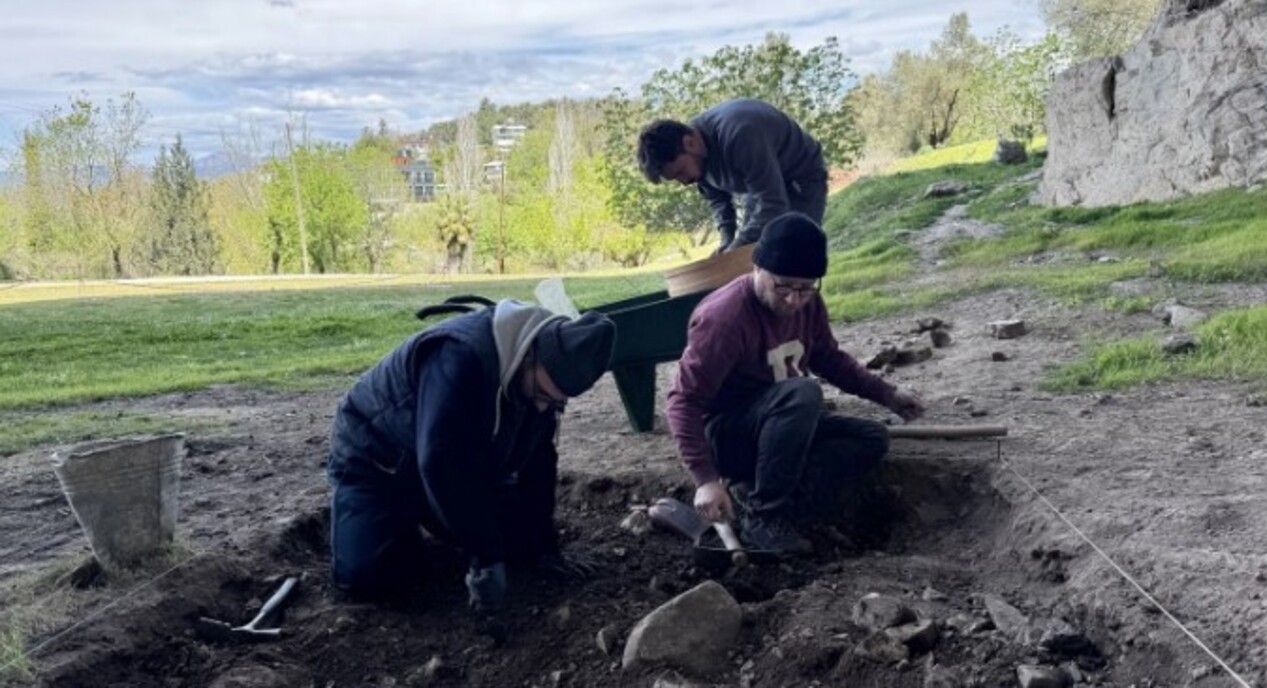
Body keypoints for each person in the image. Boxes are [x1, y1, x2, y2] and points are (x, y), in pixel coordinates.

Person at [327, 300, 616, 612]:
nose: (544, 407)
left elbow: (540, 458)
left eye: (555, 402)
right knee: (368, 577)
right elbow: (439, 461)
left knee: (521, 545)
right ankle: (397, 524)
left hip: (453, 455)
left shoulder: (541, 375)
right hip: (380, 461)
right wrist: (485, 556)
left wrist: (545, 547)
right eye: (542, 395)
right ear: (528, 354)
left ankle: (441, 523)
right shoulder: (460, 357)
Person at [665, 214, 925, 554]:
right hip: (728, 437)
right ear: (758, 268)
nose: (794, 300)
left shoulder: (808, 303)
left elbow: (828, 358)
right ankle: (763, 516)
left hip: (778, 428)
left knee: (870, 438)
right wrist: (705, 479)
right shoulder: (724, 319)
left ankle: (761, 497)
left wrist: (887, 395)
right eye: (784, 286)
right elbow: (682, 401)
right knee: (803, 393)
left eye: (806, 287)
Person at [636, 98, 828, 253]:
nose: (685, 182)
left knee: (795, 255)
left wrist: (737, 247)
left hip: (800, 178)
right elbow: (718, 201)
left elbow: (773, 204)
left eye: (680, 172)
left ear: (690, 144)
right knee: (751, 258)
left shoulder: (739, 135)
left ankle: (805, 300)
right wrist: (727, 242)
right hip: (760, 186)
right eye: (675, 178)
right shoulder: (697, 156)